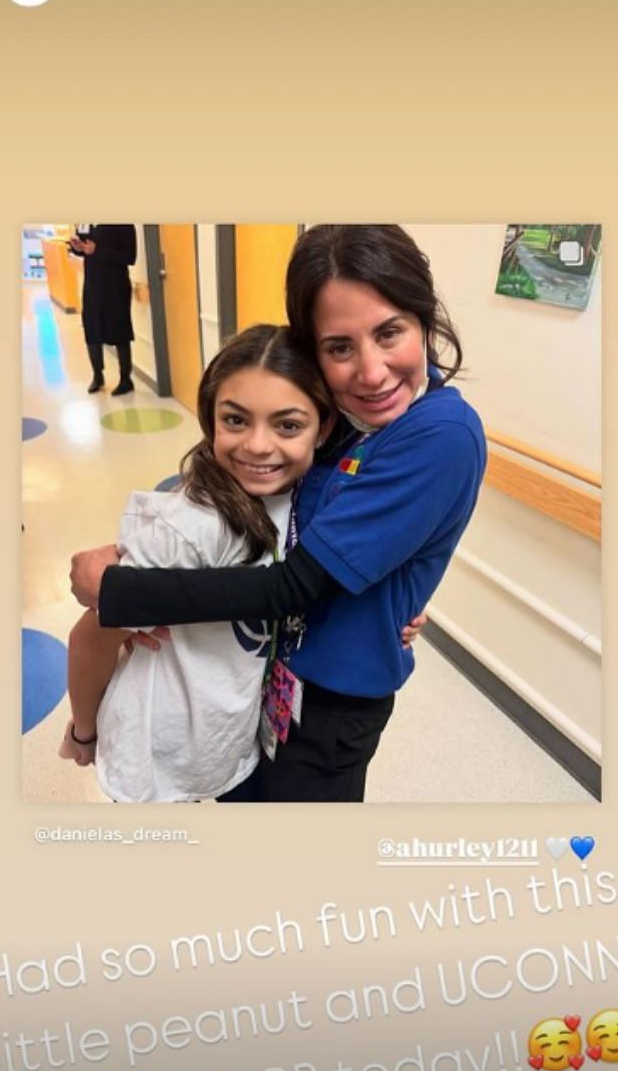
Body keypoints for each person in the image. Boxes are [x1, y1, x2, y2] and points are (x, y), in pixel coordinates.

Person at [70, 225, 487, 802]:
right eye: (339, 346)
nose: (370, 372)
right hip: (265, 676)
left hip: (330, 705)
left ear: (425, 318)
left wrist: (120, 590)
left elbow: (295, 584)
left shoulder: (439, 434)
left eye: (390, 332)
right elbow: (286, 510)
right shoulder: (352, 419)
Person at [60, 325, 332, 803]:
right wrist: (84, 731)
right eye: (235, 421)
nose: (258, 446)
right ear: (210, 419)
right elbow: (89, 637)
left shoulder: (304, 500)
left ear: (323, 428)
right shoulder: (194, 525)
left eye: (287, 425)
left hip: (232, 742)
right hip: (153, 754)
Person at [69, 225, 137, 394]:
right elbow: (85, 250)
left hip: (115, 287)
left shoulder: (124, 224)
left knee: (120, 331)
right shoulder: (86, 221)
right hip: (92, 286)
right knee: (92, 330)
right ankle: (97, 375)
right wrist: (77, 248)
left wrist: (97, 250)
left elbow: (129, 257)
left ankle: (126, 379)